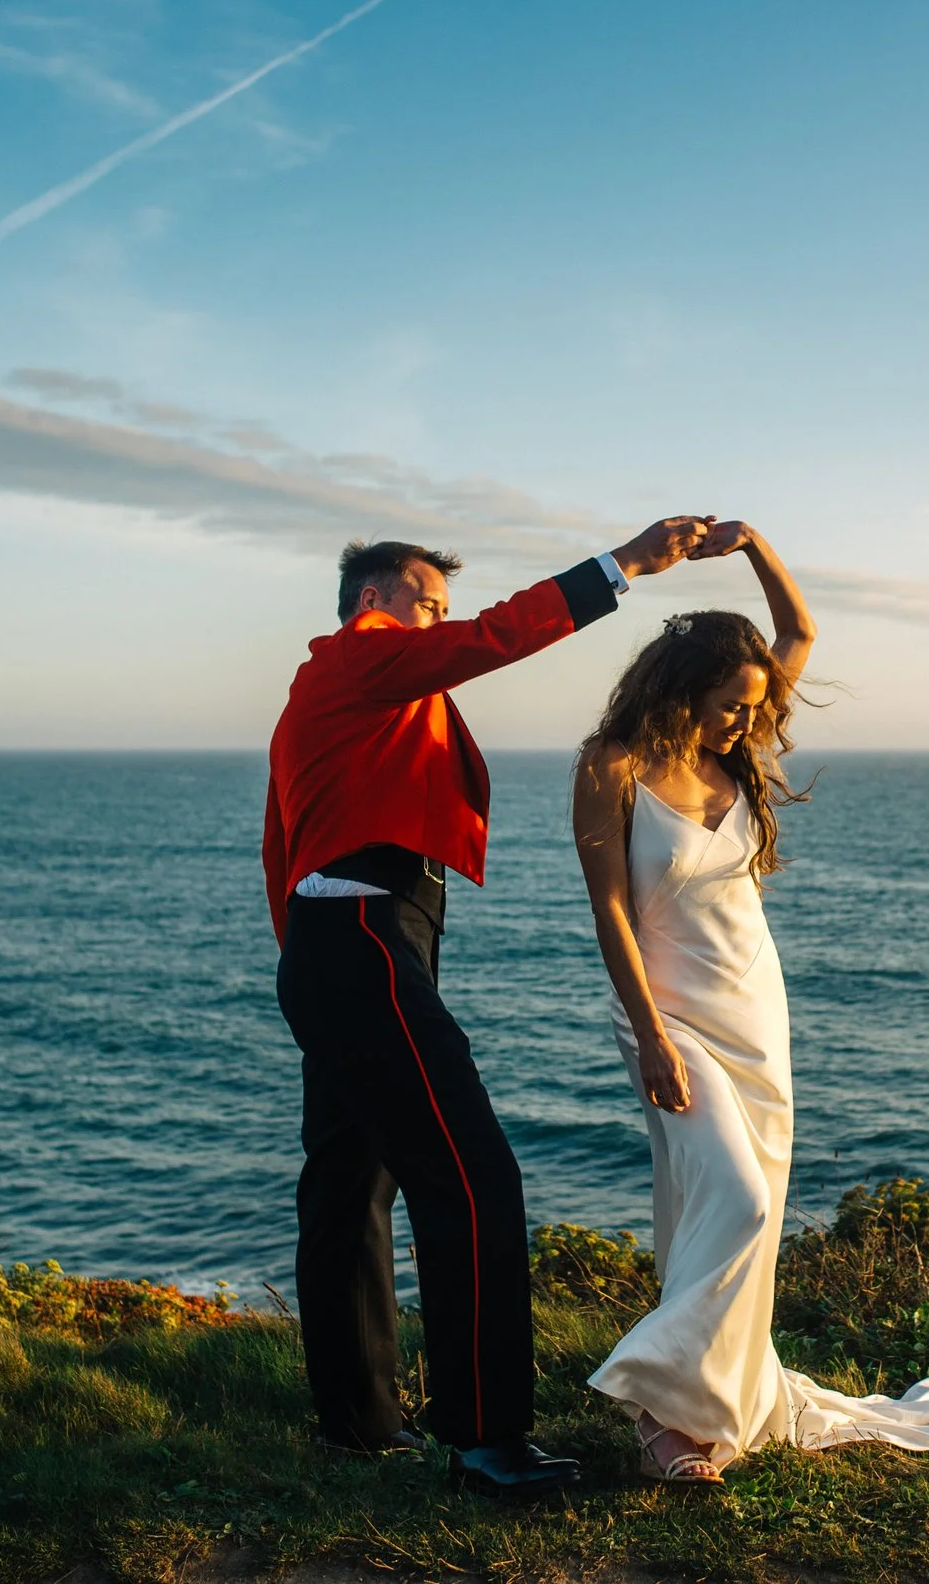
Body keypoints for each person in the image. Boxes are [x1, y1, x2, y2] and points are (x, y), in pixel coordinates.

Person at [572, 523, 929, 1484]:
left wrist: (754, 543)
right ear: (683, 690)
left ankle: (689, 1412)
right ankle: (662, 1406)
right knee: (739, 1198)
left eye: (752, 708)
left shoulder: (739, 740)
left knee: (714, 1208)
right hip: (668, 1015)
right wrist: (648, 1038)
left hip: (755, 1010)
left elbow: (797, 631)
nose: (743, 724)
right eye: (729, 705)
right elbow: (609, 913)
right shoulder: (616, 765)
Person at [266, 517, 712, 1499]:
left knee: (348, 1186)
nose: (443, 618)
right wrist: (623, 566)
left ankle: (356, 1422)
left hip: (338, 941)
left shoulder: (337, 694)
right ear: (376, 600)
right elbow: (490, 638)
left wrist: (313, 960)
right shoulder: (360, 658)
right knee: (472, 1176)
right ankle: (484, 1442)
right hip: (364, 939)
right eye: (428, 600)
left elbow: (281, 843)